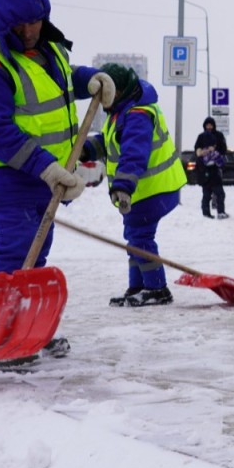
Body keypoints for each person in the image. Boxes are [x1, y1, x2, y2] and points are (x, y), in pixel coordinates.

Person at [0, 0, 116, 355]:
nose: (29, 32)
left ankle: (24, 330)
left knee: (37, 248)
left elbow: (60, 79)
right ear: (2, 23)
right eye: (21, 26)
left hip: (40, 172)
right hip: (4, 170)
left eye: (36, 23)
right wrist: (46, 166)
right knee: (16, 247)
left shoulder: (46, 47)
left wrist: (88, 78)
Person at [81, 64, 187, 307]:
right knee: (134, 236)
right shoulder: (122, 111)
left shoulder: (138, 114)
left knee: (140, 236)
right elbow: (110, 143)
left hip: (153, 188)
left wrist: (123, 185)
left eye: (108, 94)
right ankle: (138, 286)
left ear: (119, 91)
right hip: (144, 189)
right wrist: (86, 149)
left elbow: (133, 152)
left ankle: (157, 288)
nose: (104, 100)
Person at [193, 117, 228, 219]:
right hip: (206, 170)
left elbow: (223, 149)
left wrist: (215, 152)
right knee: (208, 193)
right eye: (207, 125)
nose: (209, 127)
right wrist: (203, 153)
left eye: (210, 125)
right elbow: (196, 149)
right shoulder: (201, 137)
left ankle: (219, 212)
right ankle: (207, 213)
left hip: (214, 169)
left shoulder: (219, 135)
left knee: (217, 192)